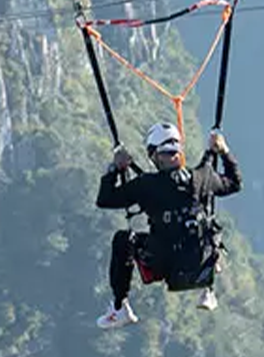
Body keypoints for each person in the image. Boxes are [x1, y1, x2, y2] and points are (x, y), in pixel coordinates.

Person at [96, 119, 243, 327]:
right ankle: (207, 289)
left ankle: (120, 307)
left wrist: (115, 169)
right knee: (205, 229)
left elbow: (105, 200)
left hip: (165, 264)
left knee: (122, 240)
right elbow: (235, 182)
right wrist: (223, 151)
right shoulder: (202, 177)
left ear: (155, 155)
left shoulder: (146, 185)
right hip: (199, 263)